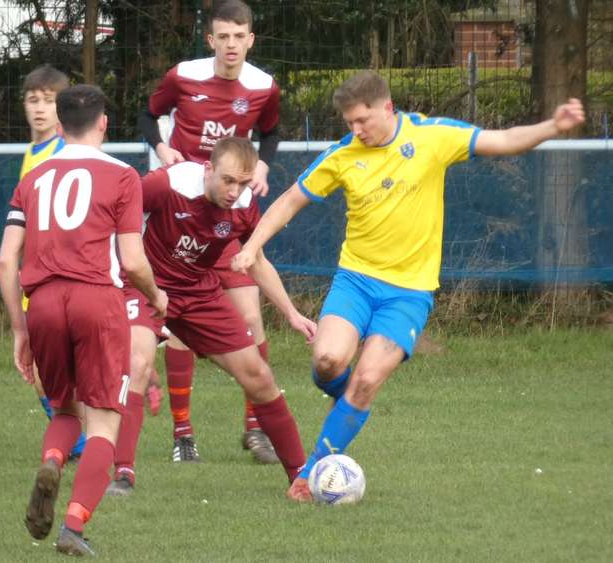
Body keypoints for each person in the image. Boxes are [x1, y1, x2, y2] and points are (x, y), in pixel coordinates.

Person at [232, 71, 586, 502]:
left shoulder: (433, 136)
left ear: (387, 107)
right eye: (349, 123)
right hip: (355, 281)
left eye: (362, 120)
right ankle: (351, 403)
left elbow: (505, 140)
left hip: (409, 293)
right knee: (327, 361)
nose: (355, 130)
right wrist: (252, 247)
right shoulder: (344, 154)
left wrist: (554, 125)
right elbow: (290, 199)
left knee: (366, 381)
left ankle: (310, 475)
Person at [0, 84, 167, 555]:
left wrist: (19, 328)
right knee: (104, 424)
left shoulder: (34, 178)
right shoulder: (123, 176)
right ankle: (73, 527)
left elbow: (7, 261)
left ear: (59, 121)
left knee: (64, 408)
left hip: (44, 303)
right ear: (103, 123)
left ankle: (53, 460)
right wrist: (157, 297)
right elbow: (132, 261)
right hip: (97, 301)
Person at [108, 137, 315, 495]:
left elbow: (258, 261)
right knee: (139, 363)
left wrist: (292, 313)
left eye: (243, 183)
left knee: (259, 376)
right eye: (228, 180)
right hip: (144, 287)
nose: (235, 191)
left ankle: (300, 477)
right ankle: (123, 475)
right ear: (208, 169)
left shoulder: (245, 205)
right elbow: (115, 215)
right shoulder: (167, 183)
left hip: (198, 292)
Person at [137, 0, 282, 465]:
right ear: (211, 39)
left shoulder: (263, 86)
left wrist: (260, 164)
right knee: (180, 327)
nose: (232, 44)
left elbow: (272, 133)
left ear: (250, 39)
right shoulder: (183, 75)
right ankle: (183, 435)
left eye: (240, 36)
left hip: (227, 215)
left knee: (252, 319)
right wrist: (162, 148)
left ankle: (255, 430)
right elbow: (147, 114)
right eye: (223, 36)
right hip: (184, 207)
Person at [19, 64, 87, 460]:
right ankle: (78, 440)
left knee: (57, 370)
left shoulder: (65, 152)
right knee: (45, 373)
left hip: (62, 277)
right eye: (33, 100)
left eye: (49, 101)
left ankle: (84, 442)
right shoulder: (32, 153)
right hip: (37, 275)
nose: (40, 109)